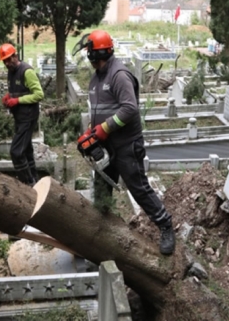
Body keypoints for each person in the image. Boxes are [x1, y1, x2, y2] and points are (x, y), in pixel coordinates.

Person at [73, 30, 175, 255]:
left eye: (89, 51)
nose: (88, 56)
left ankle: (165, 225)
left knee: (138, 188)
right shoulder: (96, 78)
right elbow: (99, 111)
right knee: (101, 184)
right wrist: (92, 131)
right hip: (106, 145)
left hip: (127, 144)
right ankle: (102, 226)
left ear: (97, 53)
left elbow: (129, 108)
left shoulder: (119, 75)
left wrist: (104, 128)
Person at [0, 43, 44, 186]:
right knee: (26, 150)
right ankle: (35, 181)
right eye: (4, 61)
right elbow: (18, 90)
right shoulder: (11, 72)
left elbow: (39, 94)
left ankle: (27, 183)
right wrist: (8, 97)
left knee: (16, 152)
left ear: (15, 56)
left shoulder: (27, 71)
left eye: (8, 59)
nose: (7, 63)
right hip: (19, 117)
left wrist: (17, 101)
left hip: (28, 117)